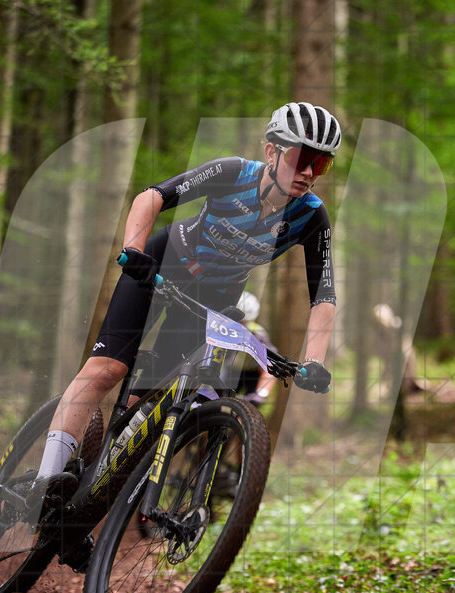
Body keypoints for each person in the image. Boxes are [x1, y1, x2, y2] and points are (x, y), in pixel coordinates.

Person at [28, 102, 340, 512]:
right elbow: (152, 196)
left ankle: (92, 500)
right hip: (161, 263)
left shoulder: (311, 216)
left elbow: (324, 296)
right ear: (271, 151)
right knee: (109, 369)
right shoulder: (232, 173)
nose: (309, 173)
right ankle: (44, 481)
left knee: (152, 405)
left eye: (322, 164)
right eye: (302, 158)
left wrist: (312, 362)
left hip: (213, 300)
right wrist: (133, 250)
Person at [233, 292, 279, 406]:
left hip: (252, 373)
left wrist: (261, 393)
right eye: (236, 320)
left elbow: (270, 366)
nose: (240, 325)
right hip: (230, 371)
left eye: (244, 322)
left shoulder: (258, 335)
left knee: (252, 405)